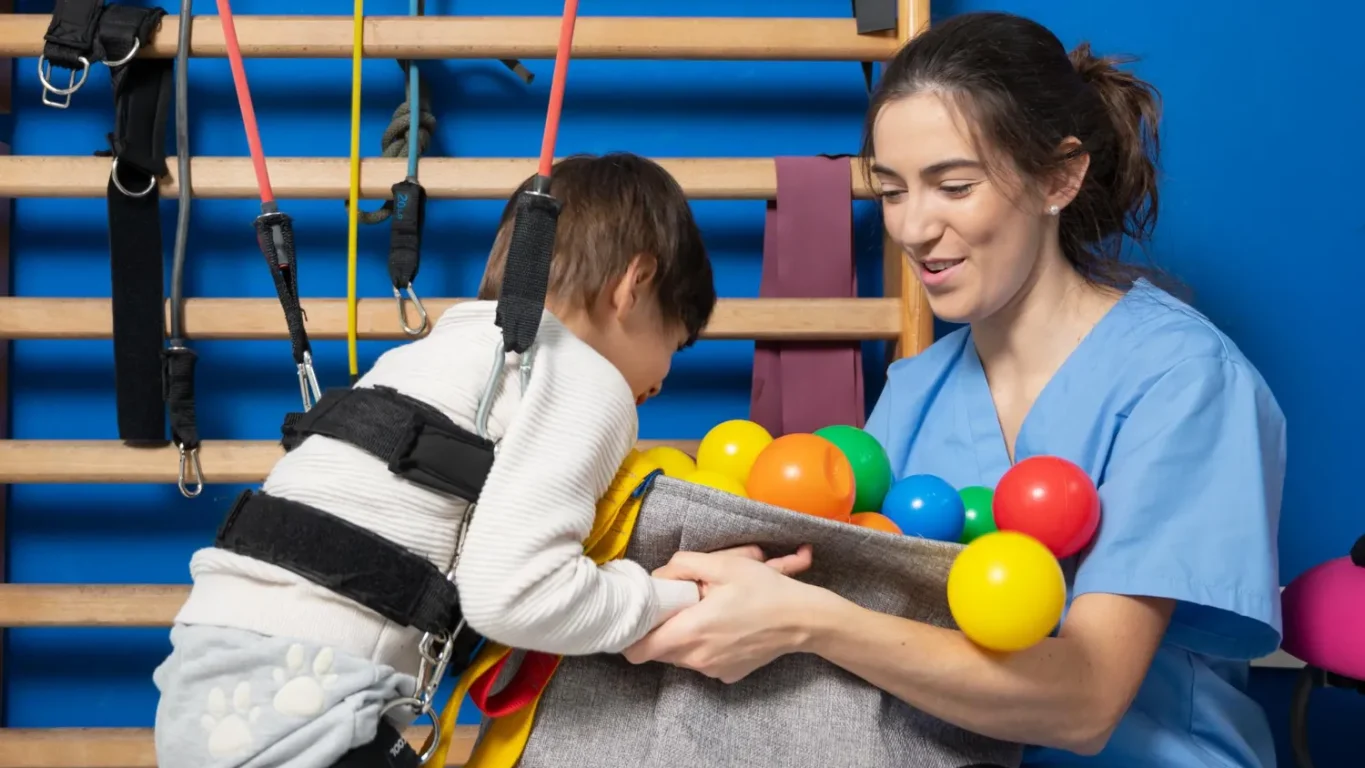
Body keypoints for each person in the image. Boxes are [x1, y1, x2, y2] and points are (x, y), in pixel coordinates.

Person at [624, 12, 1285, 768]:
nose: (912, 227)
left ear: (1058, 176)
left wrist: (807, 621)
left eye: (953, 185)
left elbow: (1088, 701)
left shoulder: (1183, 381)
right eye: (892, 190)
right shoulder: (913, 391)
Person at [152, 153, 729, 767]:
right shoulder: (581, 376)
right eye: (675, 339)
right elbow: (517, 596)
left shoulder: (432, 353)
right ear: (634, 285)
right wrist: (665, 597)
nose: (662, 381)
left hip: (204, 666)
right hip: (315, 703)